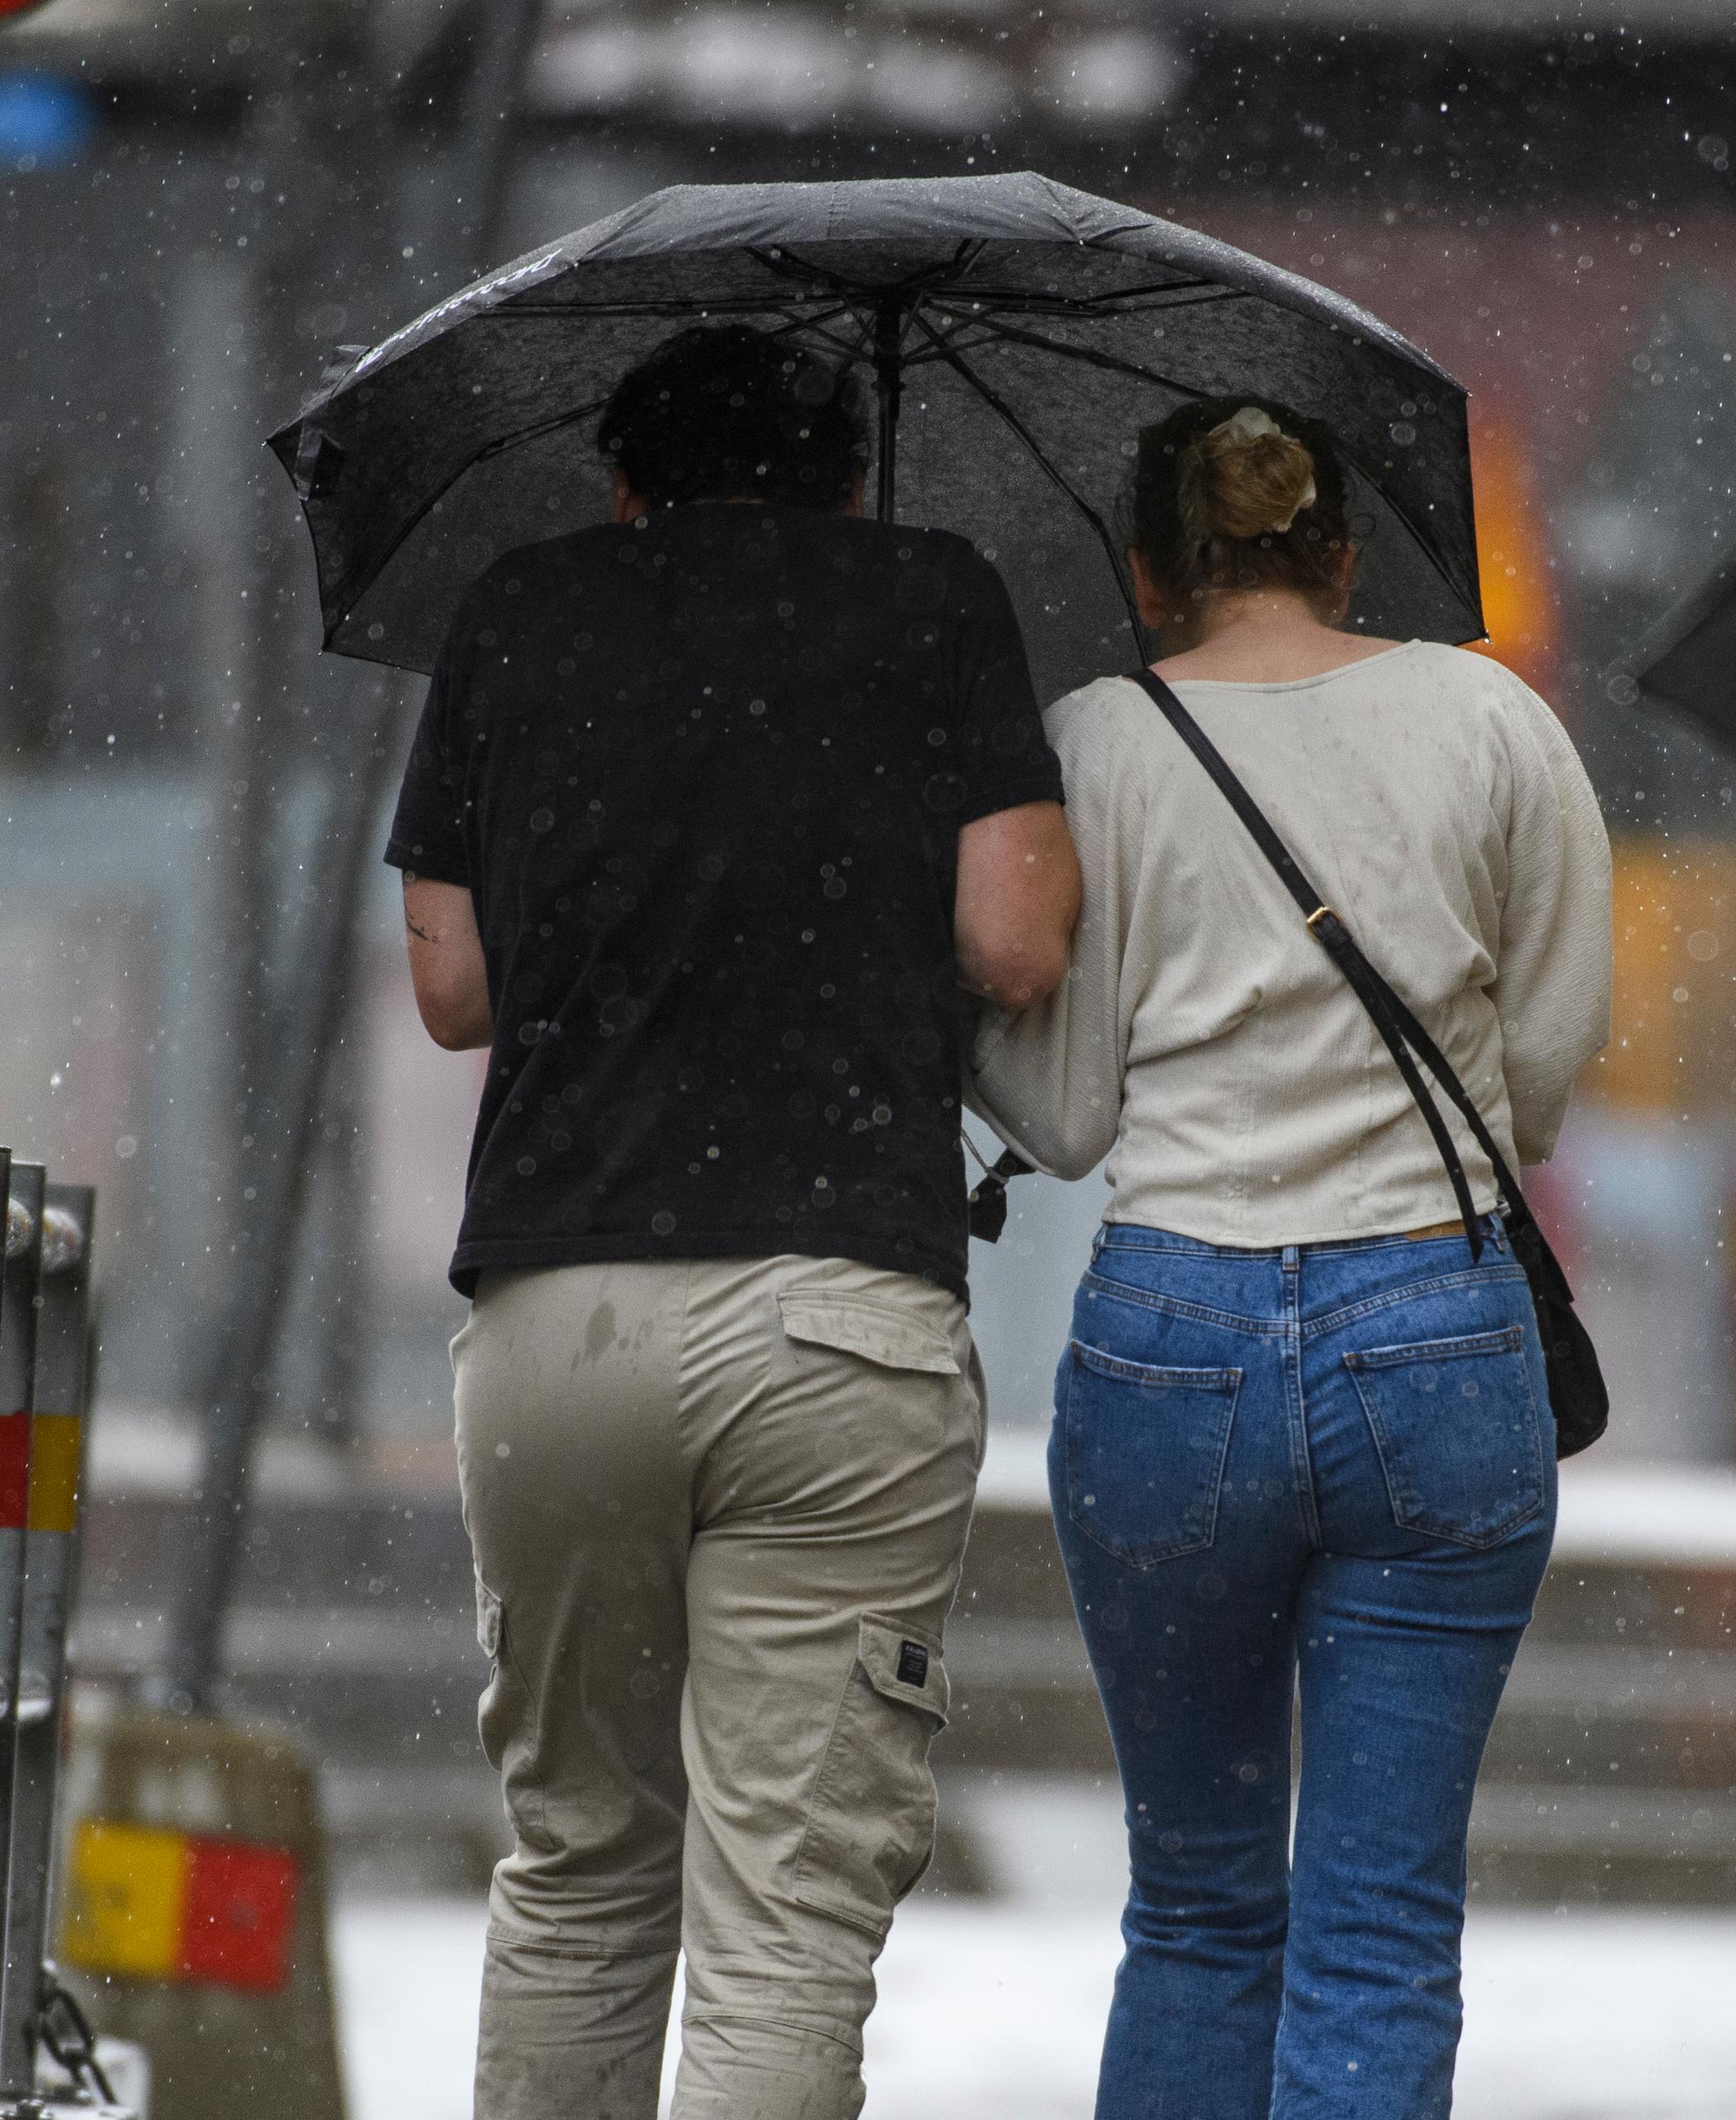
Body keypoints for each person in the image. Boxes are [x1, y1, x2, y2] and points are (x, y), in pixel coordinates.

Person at [392, 324, 1076, 2120]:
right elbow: (1019, 941)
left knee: (577, 1865)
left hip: (555, 1314)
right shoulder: (935, 596)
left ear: (626, 479)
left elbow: (454, 989)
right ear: (849, 473)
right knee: (781, 1917)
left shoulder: (517, 611)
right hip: (836, 1306)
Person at [968, 396, 1613, 2118]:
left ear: (1148, 569)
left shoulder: (1096, 737)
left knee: (1195, 1904)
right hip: (1435, 1327)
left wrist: (969, 1039)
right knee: (1382, 1927)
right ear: (1344, 549)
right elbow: (1539, 1069)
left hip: (1175, 1332)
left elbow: (1074, 1108)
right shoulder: (1494, 717)